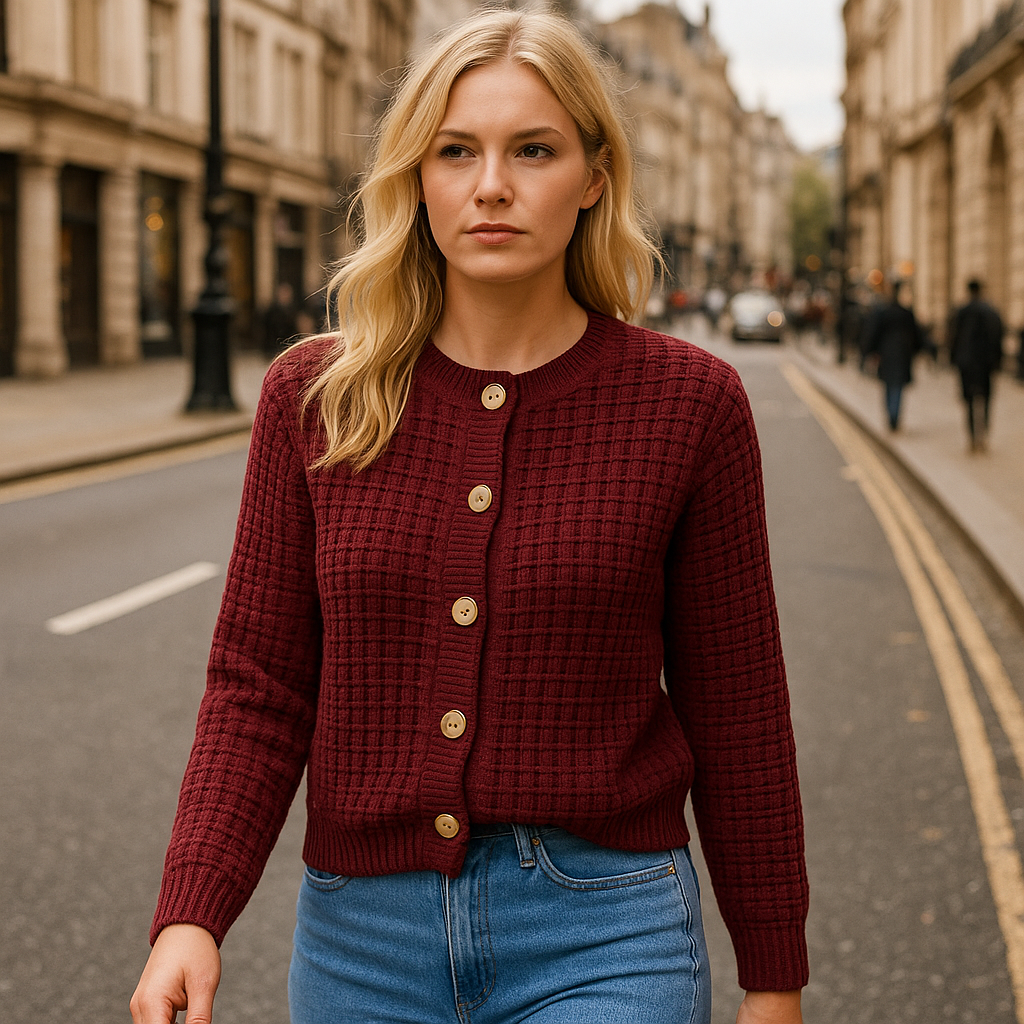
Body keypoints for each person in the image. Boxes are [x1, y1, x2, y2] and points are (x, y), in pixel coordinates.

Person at [130, 10, 808, 1024]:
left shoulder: (689, 404)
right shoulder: (312, 398)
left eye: (532, 149)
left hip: (605, 930)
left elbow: (737, 700)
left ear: (592, 177)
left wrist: (771, 974)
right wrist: (192, 912)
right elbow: (257, 685)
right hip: (362, 940)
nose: (491, 184)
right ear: (416, 178)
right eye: (456, 151)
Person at [861, 279, 924, 431]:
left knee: (889, 386)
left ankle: (892, 416)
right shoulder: (906, 313)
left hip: (887, 355)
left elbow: (873, 334)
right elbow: (916, 335)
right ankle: (894, 416)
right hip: (902, 354)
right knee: (897, 387)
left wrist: (869, 352)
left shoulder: (883, 312)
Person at [950, 279, 1004, 452]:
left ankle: (972, 437)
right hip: (986, 363)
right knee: (986, 399)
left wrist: (953, 359)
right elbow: (998, 337)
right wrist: (998, 361)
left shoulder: (961, 312)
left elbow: (953, 338)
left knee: (969, 400)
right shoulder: (991, 311)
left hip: (966, 363)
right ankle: (984, 435)